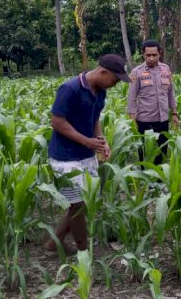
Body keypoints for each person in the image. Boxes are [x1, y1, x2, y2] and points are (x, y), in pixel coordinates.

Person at [44, 54, 131, 254]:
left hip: (86, 154)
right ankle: (84, 252)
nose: (116, 84)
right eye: (115, 79)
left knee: (84, 202)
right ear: (103, 72)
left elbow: (94, 119)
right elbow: (57, 122)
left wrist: (101, 141)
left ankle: (53, 244)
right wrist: (86, 141)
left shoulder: (100, 91)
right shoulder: (70, 89)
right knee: (77, 204)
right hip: (65, 156)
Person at [127, 40, 179, 165]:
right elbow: (131, 98)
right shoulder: (137, 72)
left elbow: (171, 93)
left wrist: (175, 113)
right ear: (143, 55)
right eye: (148, 55)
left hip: (163, 120)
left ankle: (160, 182)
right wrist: (132, 121)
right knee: (145, 155)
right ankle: (145, 181)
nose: (151, 58)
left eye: (154, 55)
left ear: (159, 53)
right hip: (145, 122)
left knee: (162, 153)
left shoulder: (166, 69)